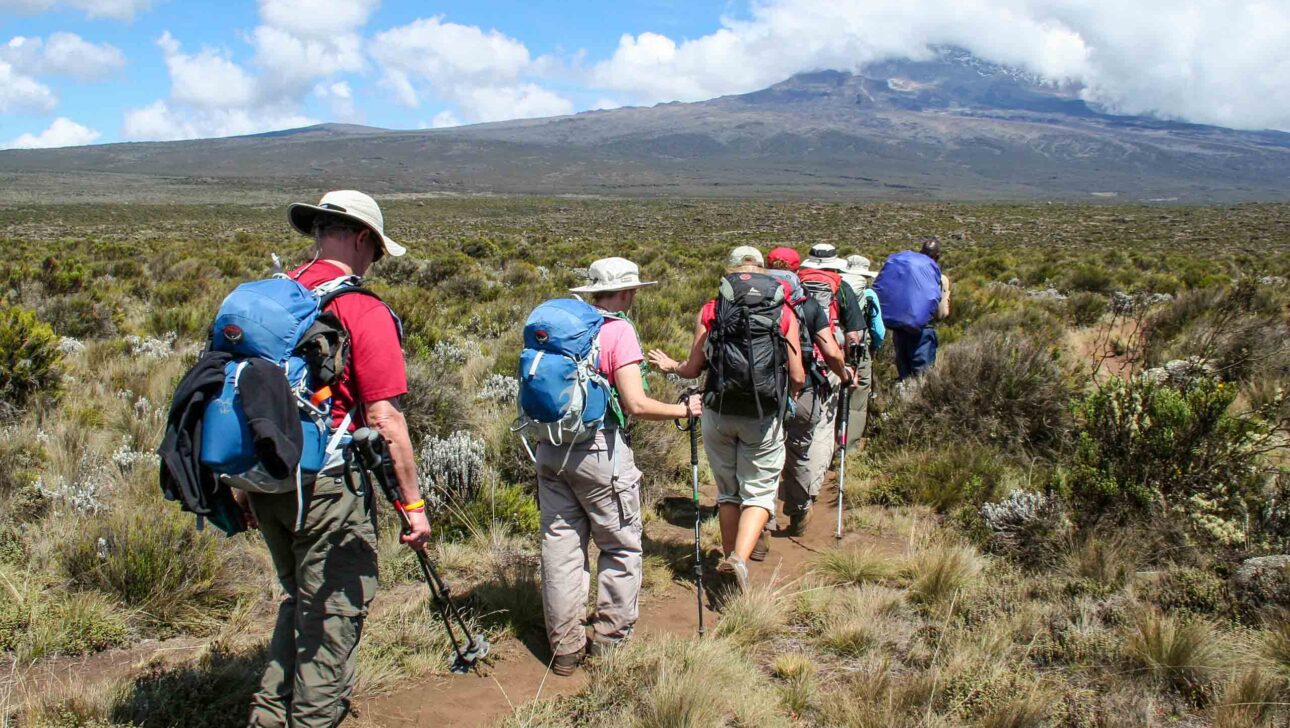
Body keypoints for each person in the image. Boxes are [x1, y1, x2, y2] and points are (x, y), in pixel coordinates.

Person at [239, 190, 424, 728]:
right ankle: (315, 719)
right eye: (378, 250)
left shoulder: (270, 299)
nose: (375, 261)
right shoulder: (361, 309)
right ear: (362, 238)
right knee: (334, 615)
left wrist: (239, 482)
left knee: (300, 599)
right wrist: (413, 505)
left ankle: (269, 717)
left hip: (264, 476)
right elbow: (385, 420)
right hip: (326, 486)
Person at [539, 257, 702, 676]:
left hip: (551, 448)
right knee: (620, 546)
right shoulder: (618, 331)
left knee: (561, 550)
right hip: (599, 452)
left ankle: (565, 651)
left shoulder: (561, 325)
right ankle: (610, 644)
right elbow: (636, 404)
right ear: (627, 292)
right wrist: (682, 409)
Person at [649, 246, 804, 593]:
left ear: (729, 273)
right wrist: (786, 399)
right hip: (763, 415)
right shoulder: (783, 311)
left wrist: (670, 366)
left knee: (728, 492)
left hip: (717, 410)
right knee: (760, 492)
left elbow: (693, 368)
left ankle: (732, 559)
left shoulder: (712, 308)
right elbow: (797, 374)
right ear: (763, 272)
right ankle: (738, 561)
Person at [768, 246, 853, 536]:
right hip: (802, 389)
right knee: (799, 452)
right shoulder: (810, 305)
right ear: (796, 271)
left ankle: (762, 527)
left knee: (765, 457)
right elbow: (830, 350)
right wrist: (844, 374)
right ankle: (799, 515)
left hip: (762, 390)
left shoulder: (757, 301)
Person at [891, 239, 949, 380]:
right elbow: (942, 313)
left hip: (899, 331)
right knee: (921, 377)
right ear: (937, 257)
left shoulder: (904, 274)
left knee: (904, 375)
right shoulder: (940, 278)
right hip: (922, 332)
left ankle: (899, 401)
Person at [841, 254, 884, 441]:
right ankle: (848, 446)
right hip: (859, 348)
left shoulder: (836, 287)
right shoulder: (868, 293)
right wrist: (874, 347)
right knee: (858, 395)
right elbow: (878, 330)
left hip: (833, 345)